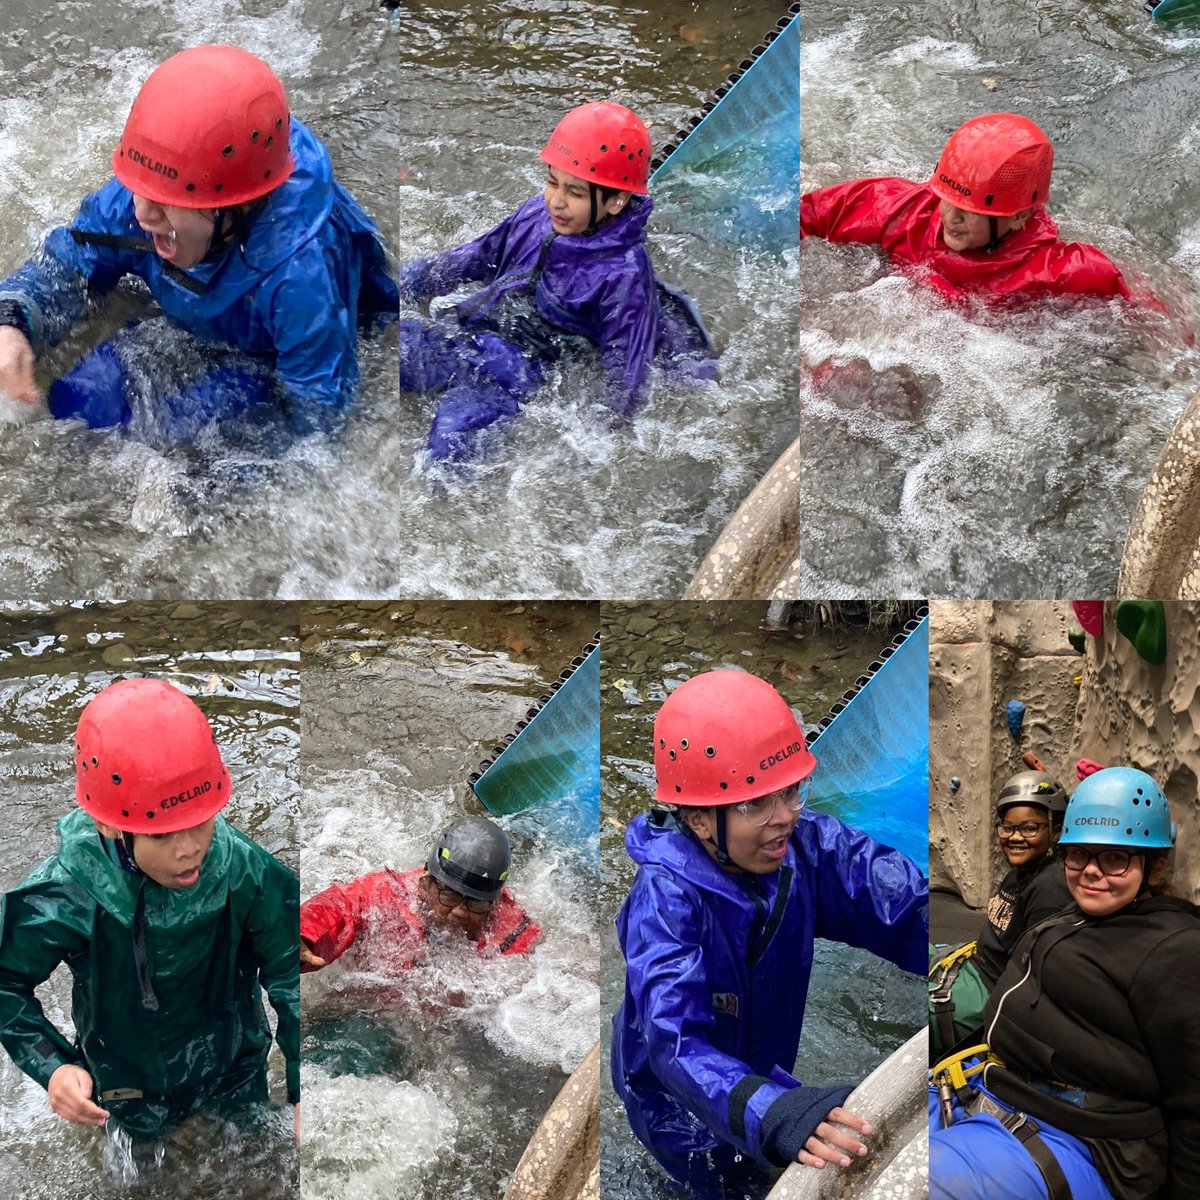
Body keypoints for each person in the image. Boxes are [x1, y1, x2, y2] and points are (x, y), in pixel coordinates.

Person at [611, 669, 928, 1198]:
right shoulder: (664, 902)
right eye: (755, 804)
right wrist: (771, 1110)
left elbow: (898, 901)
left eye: (790, 792)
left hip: (754, 1069)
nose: (784, 817)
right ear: (699, 819)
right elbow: (675, 1042)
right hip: (678, 1108)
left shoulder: (807, 848)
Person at [0, 45, 397, 446]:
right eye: (139, 190)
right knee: (79, 400)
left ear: (237, 205)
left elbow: (321, 418)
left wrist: (244, 468)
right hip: (199, 320)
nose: (142, 213)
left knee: (198, 448)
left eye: (165, 201)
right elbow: (70, 263)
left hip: (267, 359)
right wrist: (12, 321)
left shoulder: (301, 276)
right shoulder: (145, 191)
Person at [0, 678, 299, 1139]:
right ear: (108, 826)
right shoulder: (67, 893)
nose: (189, 848)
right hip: (126, 1083)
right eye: (161, 835)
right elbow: (5, 982)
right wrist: (54, 1066)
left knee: (255, 1159)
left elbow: (290, 972)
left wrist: (300, 1089)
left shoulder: (244, 870)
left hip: (234, 1065)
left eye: (200, 822)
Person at [930, 767, 1200, 1200]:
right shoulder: (1077, 916)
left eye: (1115, 858)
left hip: (1085, 1137)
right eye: (1079, 855)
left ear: (1153, 866)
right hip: (1005, 1090)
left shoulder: (1175, 951)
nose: (1091, 871)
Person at [399, 101, 717, 461]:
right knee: (379, 343)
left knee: (446, 451)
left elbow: (628, 374)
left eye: (575, 193)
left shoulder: (622, 276)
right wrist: (408, 282)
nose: (556, 201)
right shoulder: (535, 215)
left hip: (512, 377)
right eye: (553, 182)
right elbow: (474, 258)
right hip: (463, 337)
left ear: (617, 201)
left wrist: (590, 445)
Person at [801, 113, 1137, 305]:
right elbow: (808, 215)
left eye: (969, 210)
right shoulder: (902, 209)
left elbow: (1142, 315)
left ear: (1019, 216)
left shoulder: (1058, 272)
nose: (950, 216)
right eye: (947, 199)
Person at [929, 770, 1072, 1052]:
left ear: (1056, 832)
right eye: (1008, 827)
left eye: (1029, 828)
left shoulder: (1050, 892)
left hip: (988, 989)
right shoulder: (1023, 872)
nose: (1015, 837)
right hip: (974, 962)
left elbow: (1033, 986)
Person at [300, 814, 540, 972]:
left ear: (493, 903)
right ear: (426, 882)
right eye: (450, 896)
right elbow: (339, 907)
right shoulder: (388, 896)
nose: (460, 912)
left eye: (475, 903)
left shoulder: (511, 930)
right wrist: (300, 934)